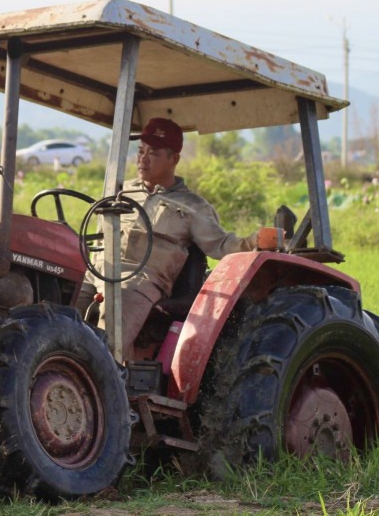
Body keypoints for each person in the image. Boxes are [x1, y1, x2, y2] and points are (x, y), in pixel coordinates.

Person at [77, 117, 269, 361]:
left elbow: (221, 245)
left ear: (174, 159)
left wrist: (255, 241)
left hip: (140, 280)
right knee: (58, 305)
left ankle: (110, 380)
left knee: (112, 324)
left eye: (153, 153)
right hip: (97, 270)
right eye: (141, 151)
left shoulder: (192, 207)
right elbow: (97, 236)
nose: (143, 159)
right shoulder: (121, 191)